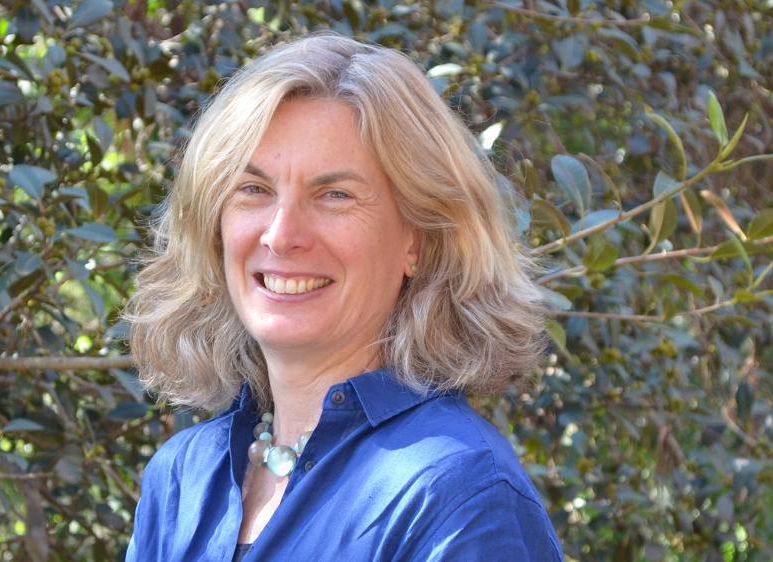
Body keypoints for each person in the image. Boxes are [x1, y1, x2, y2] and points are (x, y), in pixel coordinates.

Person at [124, 33, 563, 561]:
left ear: (419, 240)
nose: (281, 235)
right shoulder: (181, 478)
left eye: (334, 195)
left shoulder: (459, 493)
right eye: (253, 190)